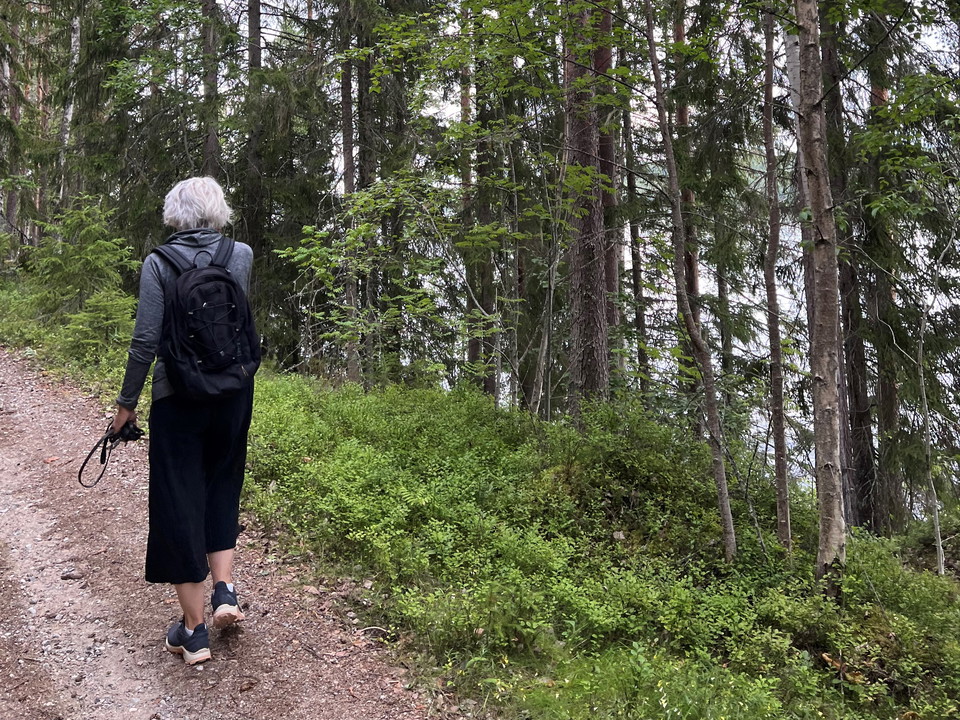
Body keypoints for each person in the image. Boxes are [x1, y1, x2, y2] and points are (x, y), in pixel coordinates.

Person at [111, 176, 255, 665]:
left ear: (174, 214)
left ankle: (193, 633)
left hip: (178, 396)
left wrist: (126, 403)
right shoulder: (241, 255)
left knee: (179, 499)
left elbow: (145, 339)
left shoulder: (158, 262)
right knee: (222, 484)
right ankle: (226, 591)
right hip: (234, 393)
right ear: (218, 210)